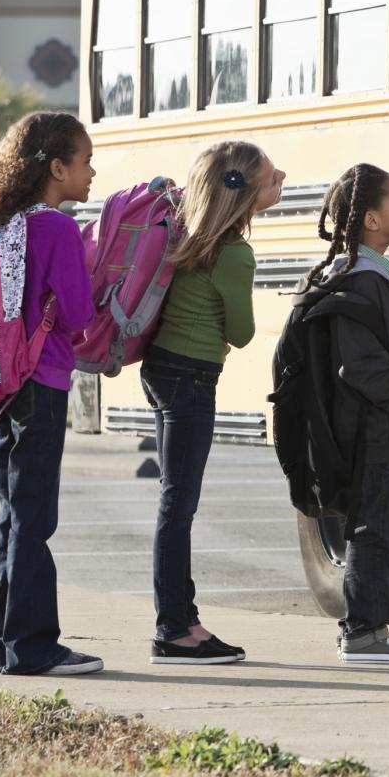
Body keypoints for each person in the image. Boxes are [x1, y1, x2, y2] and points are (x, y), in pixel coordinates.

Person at [0, 111, 100, 675]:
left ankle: (11, 641)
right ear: (56, 168)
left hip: (5, 386)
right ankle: (33, 646)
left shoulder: (2, 225)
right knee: (35, 517)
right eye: (84, 162)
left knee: (13, 515)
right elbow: (79, 315)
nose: (92, 171)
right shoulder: (56, 229)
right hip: (44, 381)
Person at [142, 141, 285, 665]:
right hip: (192, 379)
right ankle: (173, 630)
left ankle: (186, 619)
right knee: (177, 507)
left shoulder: (190, 235)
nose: (283, 178)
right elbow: (243, 333)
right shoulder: (234, 253)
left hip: (160, 369)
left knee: (173, 502)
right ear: (244, 195)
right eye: (273, 179)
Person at [304, 163, 389, 664]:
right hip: (379, 432)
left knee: (381, 529)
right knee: (377, 530)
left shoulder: (368, 277)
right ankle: (364, 633)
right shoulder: (362, 282)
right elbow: (361, 366)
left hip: (382, 428)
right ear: (370, 220)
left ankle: (370, 629)